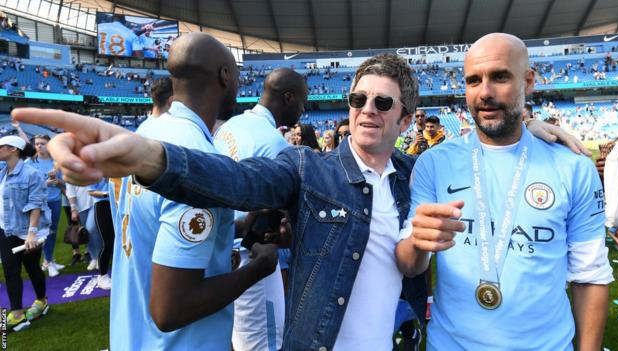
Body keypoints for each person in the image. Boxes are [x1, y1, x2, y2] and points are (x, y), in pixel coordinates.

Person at [14, 57, 587, 350]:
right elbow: (235, 182)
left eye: (382, 103)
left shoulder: (424, 172)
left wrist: (534, 124)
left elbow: (489, 149)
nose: (365, 109)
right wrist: (147, 154)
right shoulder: (307, 169)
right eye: (357, 97)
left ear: (406, 119)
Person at [396, 33, 612, 350]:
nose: (485, 92)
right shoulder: (433, 164)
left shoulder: (573, 168)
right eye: (473, 80)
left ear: (529, 81)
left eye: (499, 77)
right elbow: (410, 265)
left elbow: (590, 276)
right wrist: (417, 241)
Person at [105, 32, 278, 350]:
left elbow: (156, 231)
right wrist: (259, 268)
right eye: (236, 76)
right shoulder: (199, 162)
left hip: (131, 338)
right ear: (225, 76)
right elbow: (172, 308)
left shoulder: (148, 133)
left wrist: (236, 227)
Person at [214, 67, 307, 351]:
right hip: (252, 254)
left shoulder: (231, 125)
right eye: (303, 101)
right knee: (264, 343)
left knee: (235, 338)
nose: (304, 109)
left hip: (219, 250)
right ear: (289, 98)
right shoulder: (275, 144)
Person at [0, 136, 50, 331]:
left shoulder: (32, 174)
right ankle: (18, 314)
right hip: (6, 229)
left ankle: (41, 300)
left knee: (33, 269)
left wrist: (32, 233)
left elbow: (36, 204)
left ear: (13, 150)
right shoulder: (3, 173)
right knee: (10, 271)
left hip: (27, 231)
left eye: (1, 146)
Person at [25, 134, 65, 277]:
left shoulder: (56, 162)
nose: (39, 146)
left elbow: (64, 183)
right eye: (37, 144)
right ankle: (48, 261)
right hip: (38, 203)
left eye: (42, 143)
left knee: (52, 231)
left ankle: (49, 260)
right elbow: (27, 186)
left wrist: (58, 182)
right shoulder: (29, 163)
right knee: (43, 232)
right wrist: (44, 183)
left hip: (55, 200)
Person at [88, 178, 114, 290]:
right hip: (102, 205)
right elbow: (90, 191)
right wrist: (106, 194)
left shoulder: (118, 166)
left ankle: (121, 273)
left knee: (122, 241)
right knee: (108, 242)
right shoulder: (96, 171)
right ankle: (102, 276)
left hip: (118, 204)